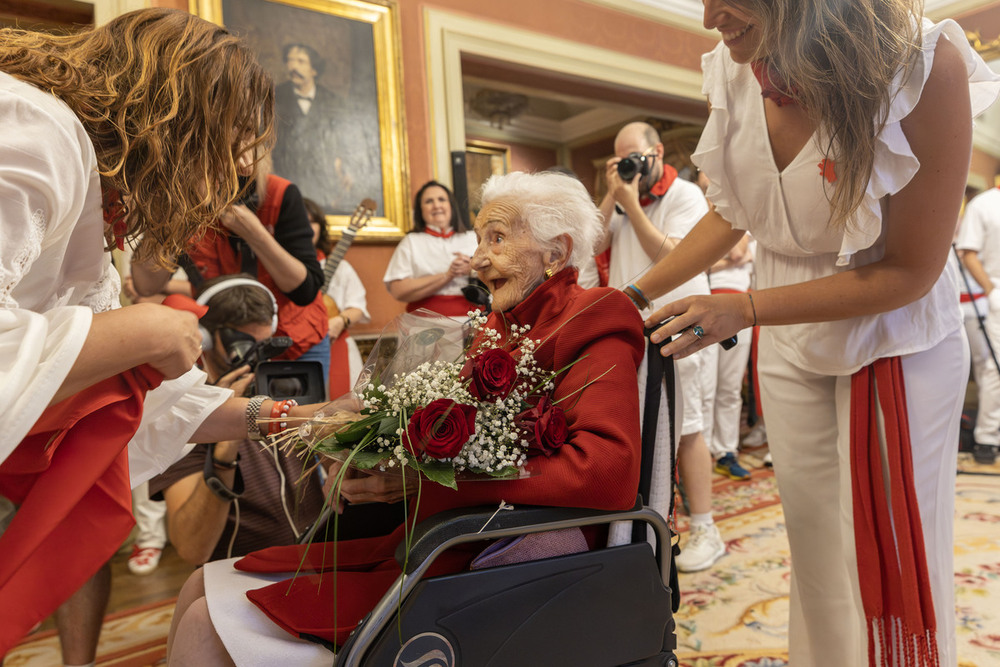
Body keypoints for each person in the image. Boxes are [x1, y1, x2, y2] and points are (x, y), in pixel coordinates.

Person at [629, 2, 1000, 665]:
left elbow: (912, 271)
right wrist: (627, 297)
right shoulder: (735, 70)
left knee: (889, 556)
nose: (710, 14)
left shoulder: (922, 65)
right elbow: (732, 212)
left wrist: (745, 307)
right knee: (818, 556)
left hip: (891, 339)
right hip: (788, 338)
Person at [165, 170, 646, 666]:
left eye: (497, 239)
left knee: (206, 621)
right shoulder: (494, 328)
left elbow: (606, 471)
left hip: (513, 554)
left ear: (556, 253)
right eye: (479, 238)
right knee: (197, 583)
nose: (478, 259)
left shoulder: (596, 313)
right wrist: (368, 441)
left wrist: (424, 483)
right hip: (449, 532)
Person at [0, 9, 319, 655]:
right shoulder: (38, 132)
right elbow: (119, 353)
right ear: (178, 115)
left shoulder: (91, 186)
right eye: (228, 140)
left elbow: (152, 402)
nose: (233, 166)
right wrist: (137, 330)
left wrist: (303, 416)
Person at [148, 275, 400, 568]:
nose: (254, 363)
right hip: (236, 574)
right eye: (242, 349)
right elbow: (193, 549)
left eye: (265, 347)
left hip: (315, 561)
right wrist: (229, 437)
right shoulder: (177, 415)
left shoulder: (285, 392)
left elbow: (339, 473)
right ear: (203, 338)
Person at [599, 121, 724, 572]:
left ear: (657, 151)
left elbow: (676, 256)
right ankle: (646, 528)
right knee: (641, 431)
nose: (630, 166)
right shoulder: (621, 200)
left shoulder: (685, 195)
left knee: (687, 427)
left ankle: (706, 528)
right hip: (630, 331)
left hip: (682, 327)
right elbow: (593, 243)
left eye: (634, 156)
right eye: (621, 160)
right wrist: (616, 193)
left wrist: (632, 205)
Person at [133, 171, 331, 389]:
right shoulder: (185, 202)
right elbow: (146, 285)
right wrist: (171, 217)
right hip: (221, 347)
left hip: (294, 342)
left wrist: (255, 234)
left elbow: (305, 290)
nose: (245, 162)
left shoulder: (279, 193)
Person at [305, 198, 371, 398]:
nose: (307, 228)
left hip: (337, 346)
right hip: (297, 351)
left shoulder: (340, 267)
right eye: (301, 222)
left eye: (312, 222)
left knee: (345, 412)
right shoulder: (278, 270)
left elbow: (357, 307)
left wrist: (340, 320)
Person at [384, 180, 480, 318]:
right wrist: (447, 275)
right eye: (429, 201)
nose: (436, 205)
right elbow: (398, 290)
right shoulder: (411, 241)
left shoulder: (473, 237)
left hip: (477, 321)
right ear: (420, 210)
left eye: (441, 199)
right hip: (426, 325)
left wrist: (471, 270)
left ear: (451, 206)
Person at [956, 182, 1000, 461]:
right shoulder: (983, 204)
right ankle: (988, 437)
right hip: (995, 293)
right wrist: (991, 290)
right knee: (994, 366)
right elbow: (968, 251)